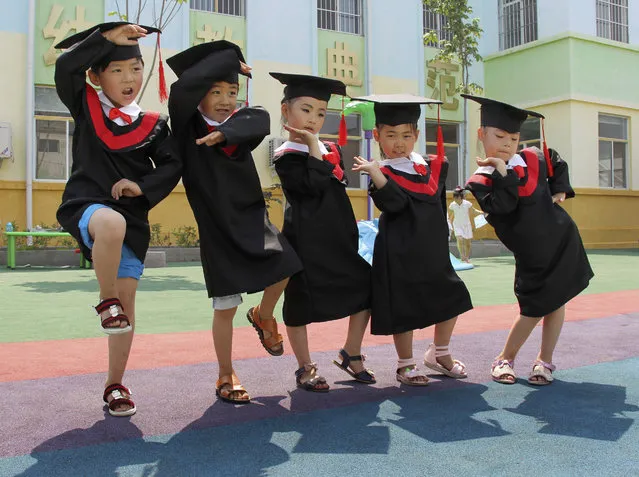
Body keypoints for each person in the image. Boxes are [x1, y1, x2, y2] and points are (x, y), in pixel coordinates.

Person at [54, 22, 182, 416]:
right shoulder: (85, 104)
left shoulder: (154, 124)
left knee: (126, 315)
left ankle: (115, 385)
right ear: (95, 75)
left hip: (132, 219)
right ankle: (104, 300)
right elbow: (64, 69)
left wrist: (142, 186)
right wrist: (105, 39)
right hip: (88, 205)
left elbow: (172, 164)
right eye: (117, 69)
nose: (130, 78)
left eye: (136, 68)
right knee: (110, 224)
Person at [167, 42, 302, 404]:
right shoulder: (184, 127)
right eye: (216, 92)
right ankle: (226, 372)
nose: (227, 99)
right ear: (199, 96)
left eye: (232, 91)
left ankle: (262, 314)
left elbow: (259, 118)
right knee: (225, 306)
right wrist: (228, 59)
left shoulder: (240, 124)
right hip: (217, 228)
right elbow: (180, 90)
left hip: (252, 218)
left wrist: (224, 134)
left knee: (287, 265)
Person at [463, 94, 594, 386]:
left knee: (557, 302)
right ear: (481, 134)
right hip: (531, 250)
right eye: (499, 136)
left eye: (513, 137)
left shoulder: (533, 157)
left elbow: (557, 162)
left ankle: (544, 362)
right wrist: (502, 171)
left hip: (562, 239)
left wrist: (560, 190)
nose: (508, 144)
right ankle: (505, 358)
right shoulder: (480, 180)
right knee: (533, 307)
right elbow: (503, 208)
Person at [351, 94, 473, 386]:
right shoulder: (381, 172)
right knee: (403, 305)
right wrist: (376, 174)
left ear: (417, 135)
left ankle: (439, 353)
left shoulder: (432, 165)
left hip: (431, 247)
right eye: (390, 135)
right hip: (399, 250)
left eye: (406, 135)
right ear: (378, 136)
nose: (399, 142)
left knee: (452, 296)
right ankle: (405, 364)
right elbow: (394, 205)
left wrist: (445, 234)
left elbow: (438, 204)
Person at [270, 72, 375, 392]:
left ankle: (351, 353)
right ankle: (305, 366)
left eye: (320, 113)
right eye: (306, 109)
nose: (314, 119)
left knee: (365, 290)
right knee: (300, 303)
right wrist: (314, 144)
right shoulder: (285, 156)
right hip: (306, 240)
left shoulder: (331, 150)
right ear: (286, 111)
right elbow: (313, 187)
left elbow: (337, 194)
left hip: (339, 238)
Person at [448, 186, 483, 262]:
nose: (455, 199)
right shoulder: (452, 205)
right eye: (454, 198)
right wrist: (449, 225)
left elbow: (473, 211)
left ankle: (467, 257)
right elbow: (450, 216)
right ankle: (462, 256)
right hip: (457, 225)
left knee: (468, 244)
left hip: (467, 225)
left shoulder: (467, 204)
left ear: (461, 197)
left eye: (457, 197)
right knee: (460, 239)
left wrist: (481, 212)